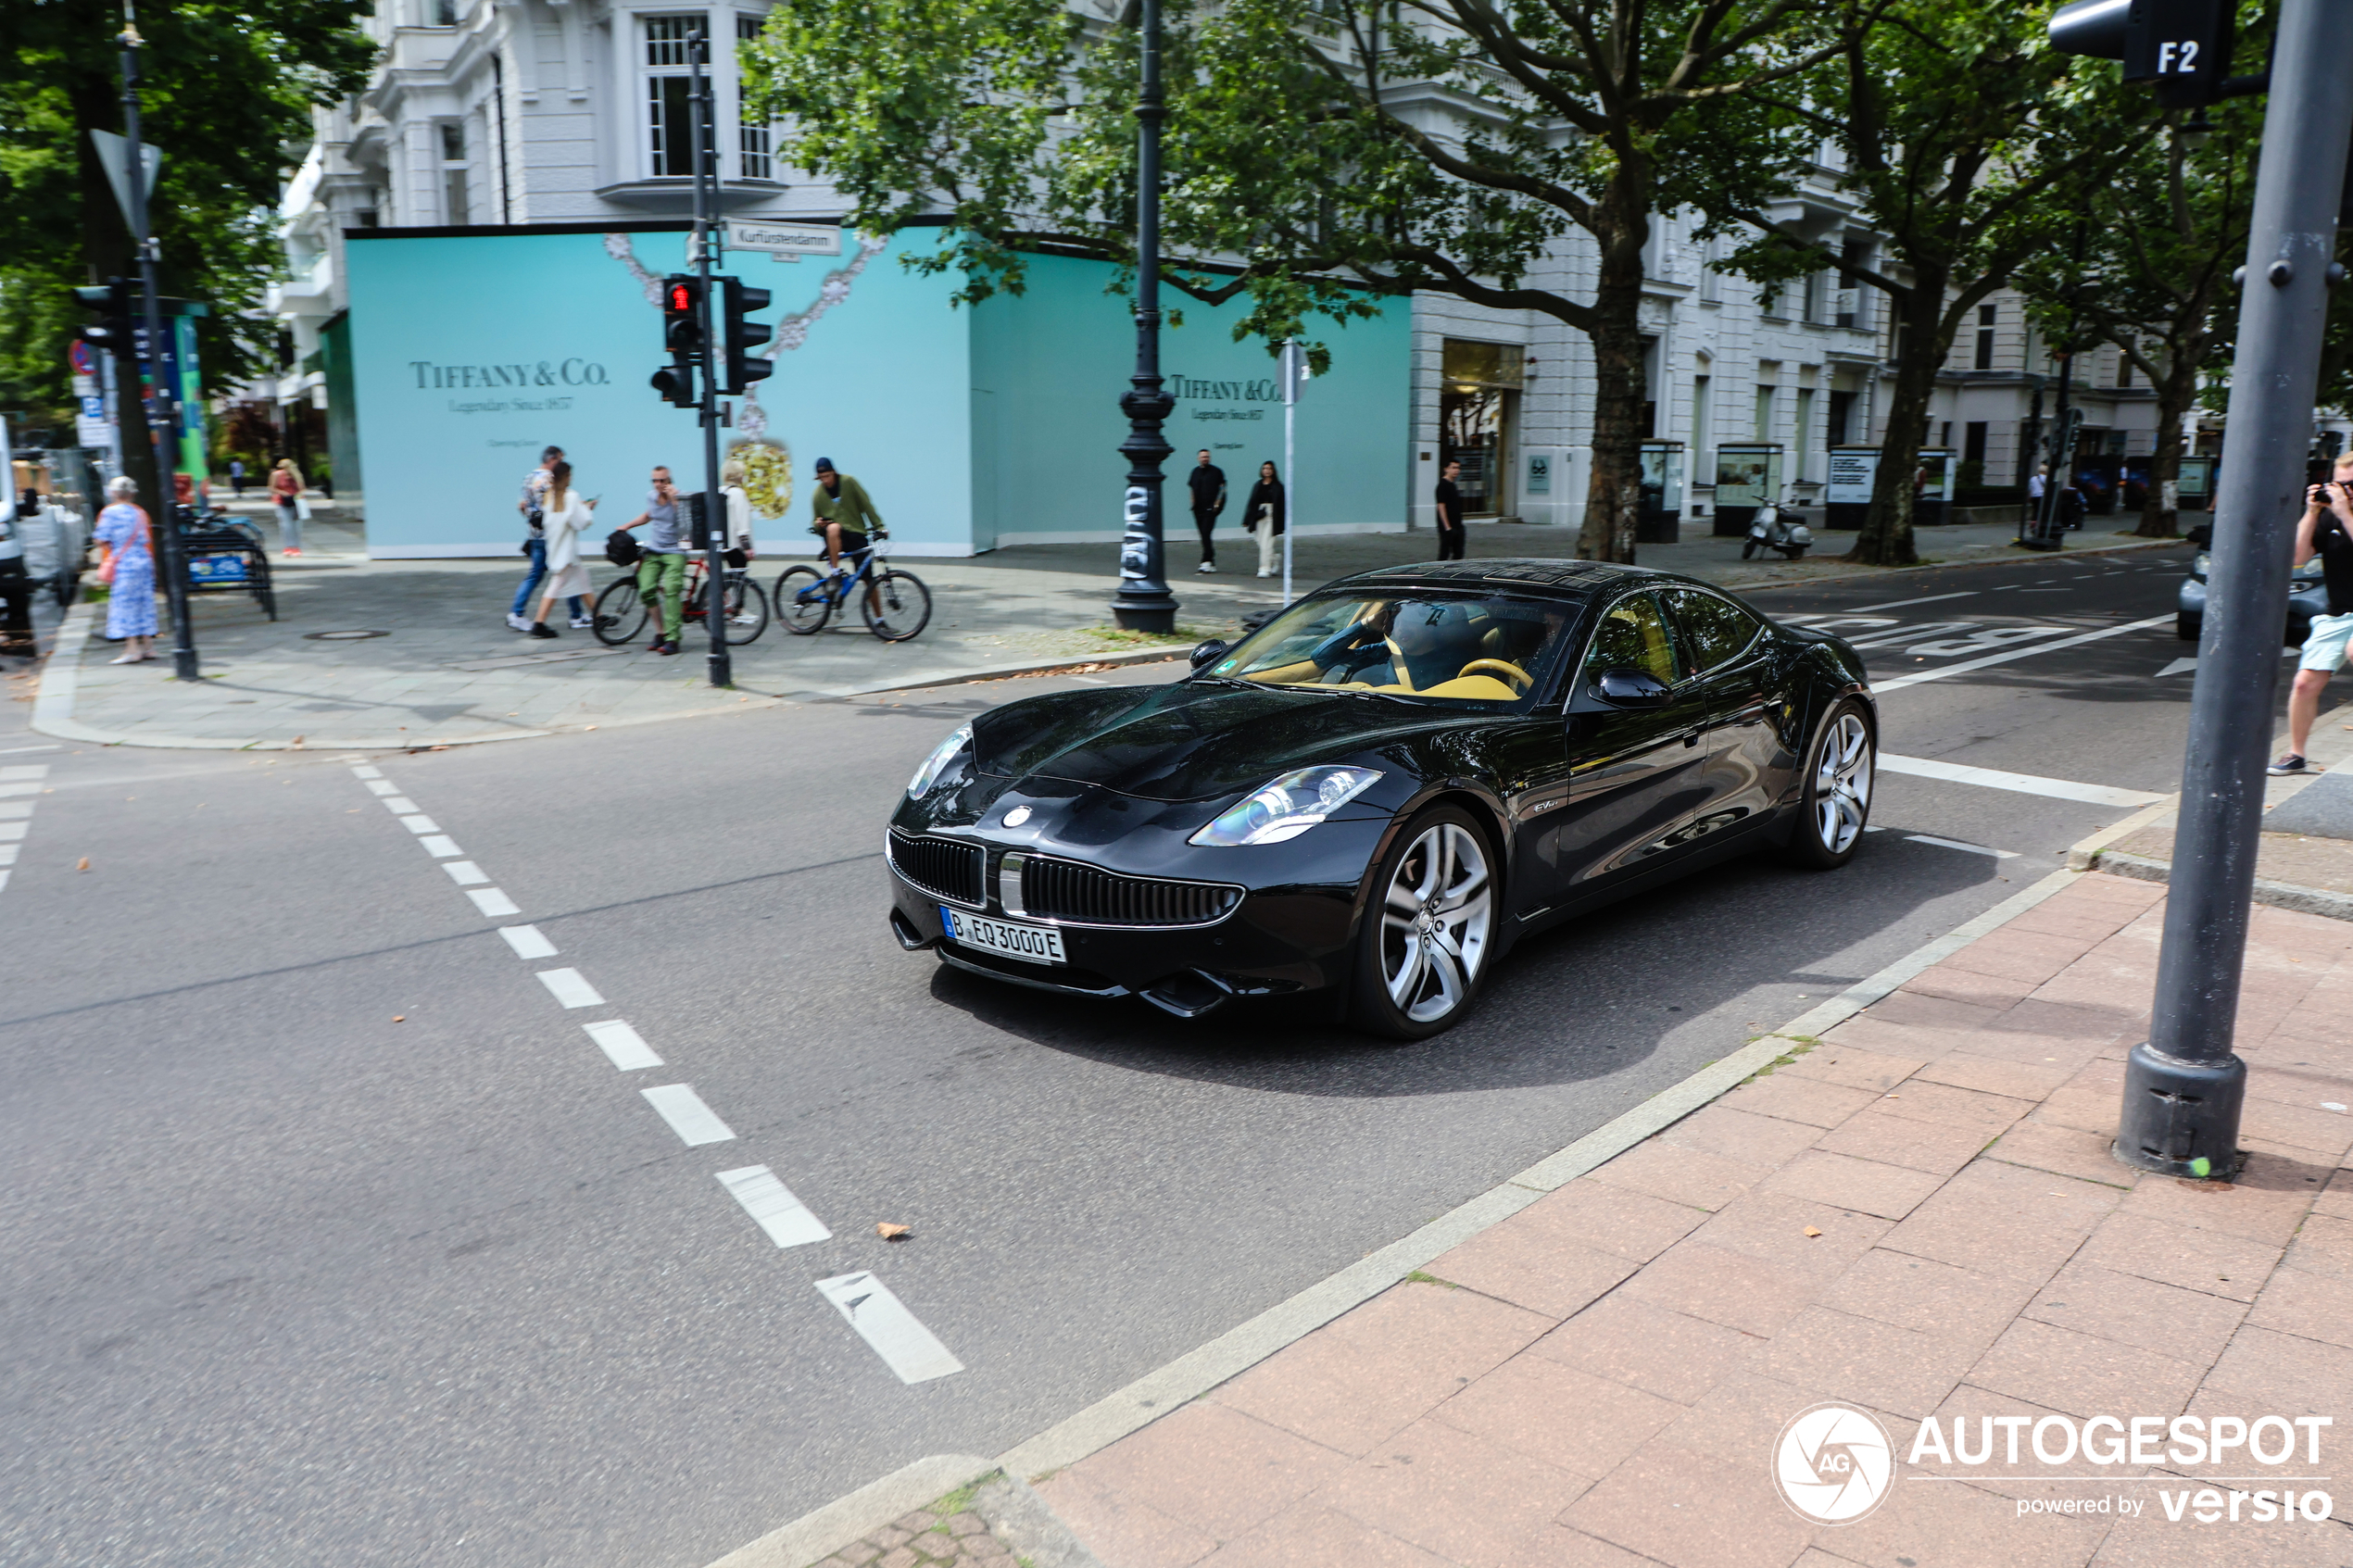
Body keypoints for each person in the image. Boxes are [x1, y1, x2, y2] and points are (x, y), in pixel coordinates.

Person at [2271, 457, 2353, 773]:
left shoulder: (2343, 513)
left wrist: (2345, 513)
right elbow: (2295, 559)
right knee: (2305, 683)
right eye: (2338, 484)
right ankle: (2296, 754)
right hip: (2339, 612)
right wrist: (2312, 511)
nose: (2343, 492)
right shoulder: (2328, 515)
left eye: (2350, 485)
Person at [508, 445, 587, 632]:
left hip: (535, 534)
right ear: (552, 460)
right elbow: (557, 505)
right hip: (551, 534)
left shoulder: (528, 478)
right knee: (559, 572)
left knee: (562, 572)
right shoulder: (548, 481)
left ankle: (577, 614)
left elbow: (524, 507)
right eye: (560, 460)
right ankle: (518, 613)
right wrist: (582, 507)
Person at [526, 461, 596, 639]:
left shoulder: (551, 495)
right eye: (570, 475)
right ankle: (539, 623)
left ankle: (599, 616)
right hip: (567, 550)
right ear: (565, 477)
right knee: (556, 585)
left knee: (582, 580)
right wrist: (587, 509)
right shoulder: (570, 496)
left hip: (556, 546)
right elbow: (582, 522)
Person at [93, 475, 157, 664]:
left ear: (113, 493)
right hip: (143, 560)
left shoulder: (109, 513)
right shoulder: (140, 512)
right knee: (145, 602)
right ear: (132, 493)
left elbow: (100, 538)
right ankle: (149, 646)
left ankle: (132, 649)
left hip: (124, 563)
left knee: (125, 605)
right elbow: (146, 538)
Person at [623, 466, 687, 655]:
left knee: (671, 590)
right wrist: (626, 526)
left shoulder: (680, 497)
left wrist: (675, 500)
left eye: (663, 480)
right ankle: (661, 632)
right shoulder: (651, 496)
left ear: (670, 480)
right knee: (646, 588)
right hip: (655, 550)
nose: (659, 484)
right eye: (655, 481)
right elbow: (649, 515)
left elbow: (685, 520)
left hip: (675, 551)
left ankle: (673, 638)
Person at [810, 457, 884, 616]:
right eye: (821, 478)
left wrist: (880, 526)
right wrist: (819, 524)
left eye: (827, 476)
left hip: (856, 533)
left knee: (868, 579)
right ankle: (835, 573)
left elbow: (866, 505)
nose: (825, 481)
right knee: (834, 528)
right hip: (835, 538)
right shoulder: (818, 495)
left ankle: (879, 619)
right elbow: (815, 523)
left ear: (834, 472)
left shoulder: (849, 482)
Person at [1187, 449, 1227, 573]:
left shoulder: (1217, 472)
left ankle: (1206, 560)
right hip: (1198, 508)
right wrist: (1192, 503)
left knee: (1205, 531)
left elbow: (1222, 489)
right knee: (1203, 534)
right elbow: (1192, 489)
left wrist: (1217, 504)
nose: (1205, 459)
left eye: (1207, 457)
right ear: (1198, 458)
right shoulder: (1195, 472)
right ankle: (1211, 561)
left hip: (1211, 508)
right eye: (1203, 457)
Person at [1243, 460, 1285, 579]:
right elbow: (1251, 503)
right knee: (1261, 542)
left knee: (1267, 542)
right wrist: (1247, 519)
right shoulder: (1258, 485)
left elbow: (1282, 505)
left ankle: (1264, 568)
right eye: (1265, 468)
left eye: (1269, 468)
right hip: (1259, 515)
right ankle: (1275, 558)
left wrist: (1282, 522)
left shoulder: (1278, 486)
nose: (1267, 470)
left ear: (1273, 471)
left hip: (1272, 515)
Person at [268, 458, 305, 558]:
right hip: (282, 501)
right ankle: (288, 546)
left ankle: (296, 547)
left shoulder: (297, 475)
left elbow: (302, 489)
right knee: (286, 525)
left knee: (297, 526)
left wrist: (298, 495)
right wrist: (282, 492)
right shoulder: (276, 475)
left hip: (296, 502)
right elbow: (271, 487)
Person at [1434, 458, 1466, 560]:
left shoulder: (1452, 485)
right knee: (1445, 553)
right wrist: (1447, 527)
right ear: (1446, 469)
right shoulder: (1442, 485)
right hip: (1448, 527)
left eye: (1458, 468)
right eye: (1453, 468)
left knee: (1459, 553)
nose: (1456, 470)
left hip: (1458, 525)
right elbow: (1441, 506)